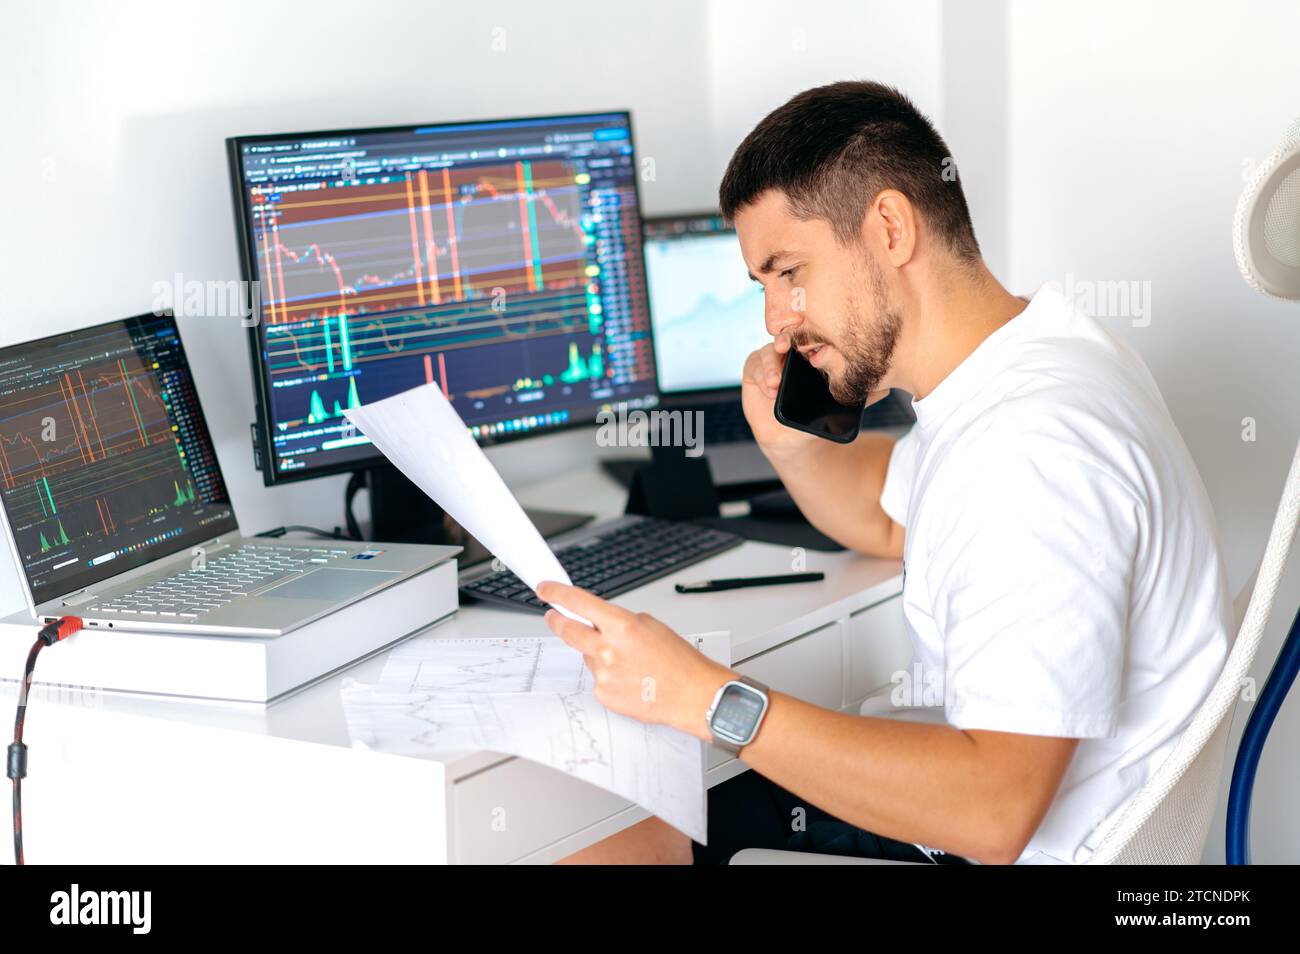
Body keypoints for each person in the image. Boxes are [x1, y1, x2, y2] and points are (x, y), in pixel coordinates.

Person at [542, 80, 1232, 865]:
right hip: (1002, 817)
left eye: (788, 270)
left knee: (599, 837)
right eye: (763, 285)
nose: (775, 319)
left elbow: (993, 810)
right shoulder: (1034, 360)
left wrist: (701, 696)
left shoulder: (1031, 453)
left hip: (993, 834)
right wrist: (792, 444)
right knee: (640, 823)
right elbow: (892, 517)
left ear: (891, 227)